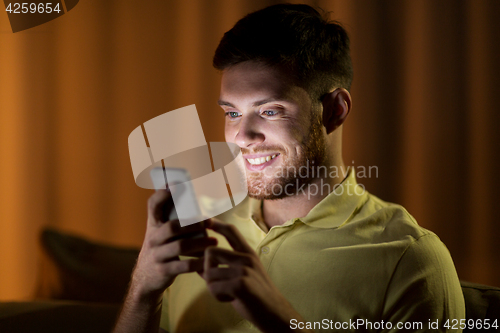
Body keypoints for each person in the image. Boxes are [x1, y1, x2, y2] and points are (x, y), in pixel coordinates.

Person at [114, 4, 465, 332]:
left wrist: (280, 320)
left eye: (270, 111)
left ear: (335, 110)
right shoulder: (201, 223)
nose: (243, 136)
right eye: (232, 113)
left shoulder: (410, 258)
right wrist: (143, 288)